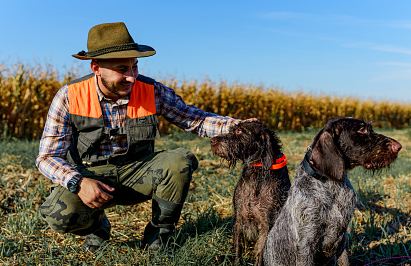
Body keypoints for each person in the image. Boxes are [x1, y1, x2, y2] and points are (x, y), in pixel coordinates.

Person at [36, 22, 251, 252]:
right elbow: (47, 157)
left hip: (139, 171)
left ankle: (158, 238)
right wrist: (78, 182)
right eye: (122, 69)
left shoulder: (152, 90)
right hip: (92, 176)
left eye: (134, 67)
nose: (132, 77)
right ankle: (97, 225)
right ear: (96, 67)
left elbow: (194, 118)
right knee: (59, 215)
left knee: (179, 163)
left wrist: (239, 126)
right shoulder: (69, 96)